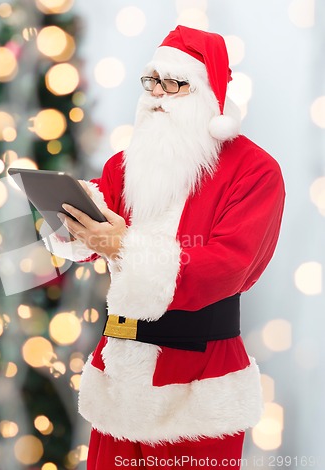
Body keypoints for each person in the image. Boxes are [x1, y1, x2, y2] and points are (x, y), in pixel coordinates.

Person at [43, 25, 285, 469]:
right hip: (120, 376)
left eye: (173, 83)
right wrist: (74, 219)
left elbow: (227, 266)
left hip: (199, 385)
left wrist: (124, 247)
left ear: (208, 95)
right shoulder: (126, 163)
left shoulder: (255, 171)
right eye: (151, 81)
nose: (157, 95)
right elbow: (98, 228)